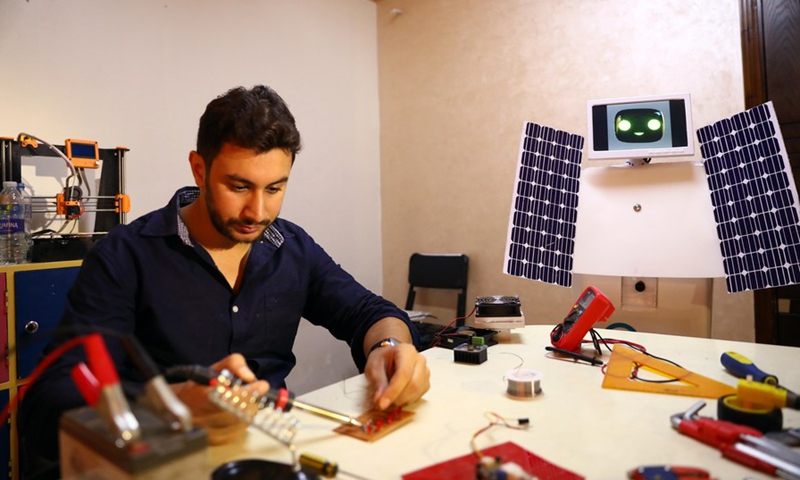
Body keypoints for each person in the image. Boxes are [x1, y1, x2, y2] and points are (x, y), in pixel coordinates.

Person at [18, 85, 430, 478]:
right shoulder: (126, 256)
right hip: (164, 465)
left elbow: (368, 312)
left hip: (266, 459)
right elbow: (49, 402)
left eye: (275, 188)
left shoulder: (291, 248)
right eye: (239, 186)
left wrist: (390, 348)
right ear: (199, 169)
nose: (257, 211)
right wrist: (171, 405)